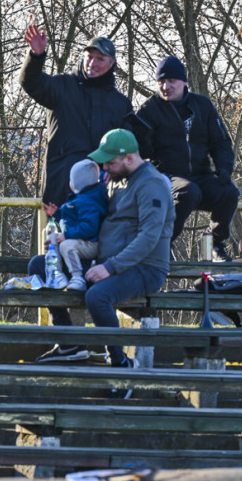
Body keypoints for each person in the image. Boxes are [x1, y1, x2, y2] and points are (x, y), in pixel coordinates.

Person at [33, 130, 174, 398]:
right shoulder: (117, 180)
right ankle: (69, 346)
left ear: (130, 158)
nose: (104, 169)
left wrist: (110, 267)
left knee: (97, 296)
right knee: (40, 266)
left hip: (144, 268)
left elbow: (149, 237)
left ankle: (121, 364)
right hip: (107, 260)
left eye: (110, 163)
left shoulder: (152, 185)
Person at [132, 55, 239, 261]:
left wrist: (224, 169)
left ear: (184, 82)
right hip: (165, 176)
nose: (166, 87)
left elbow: (221, 142)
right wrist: (142, 139)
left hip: (201, 174)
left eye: (171, 81)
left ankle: (215, 244)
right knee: (188, 191)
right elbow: (140, 153)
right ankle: (163, 243)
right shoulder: (149, 110)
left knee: (229, 192)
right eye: (161, 82)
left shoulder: (203, 106)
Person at [20, 22, 132, 211]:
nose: (92, 63)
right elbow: (30, 82)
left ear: (112, 63)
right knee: (56, 240)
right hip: (60, 192)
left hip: (103, 195)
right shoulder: (62, 86)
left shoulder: (120, 104)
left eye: (100, 59)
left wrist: (114, 170)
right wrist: (36, 56)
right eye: (89, 57)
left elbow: (127, 148)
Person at [43, 159, 108, 292]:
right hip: (79, 239)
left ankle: (77, 277)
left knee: (67, 245)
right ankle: (56, 274)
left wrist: (67, 235)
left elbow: (90, 227)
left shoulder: (88, 201)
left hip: (91, 244)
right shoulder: (80, 198)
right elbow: (72, 220)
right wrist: (57, 214)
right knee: (51, 236)